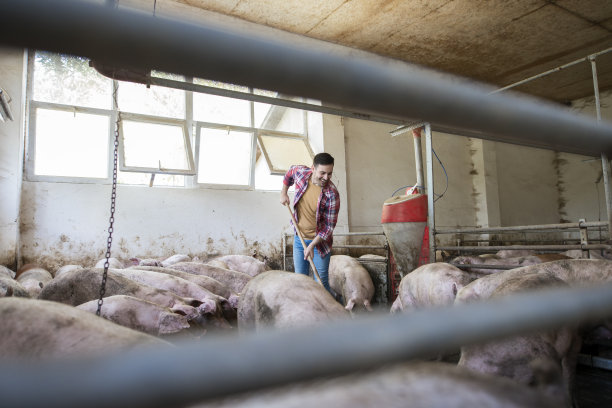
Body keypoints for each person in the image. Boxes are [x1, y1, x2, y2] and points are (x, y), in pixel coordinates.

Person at [280, 152, 340, 292]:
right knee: (300, 281)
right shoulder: (301, 173)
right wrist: (283, 192)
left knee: (320, 282)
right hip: (299, 239)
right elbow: (289, 173)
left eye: (329, 173)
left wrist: (312, 245)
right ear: (313, 168)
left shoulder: (332, 194)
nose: (326, 178)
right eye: (322, 173)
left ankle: (328, 312)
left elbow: (328, 227)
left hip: (319, 244)